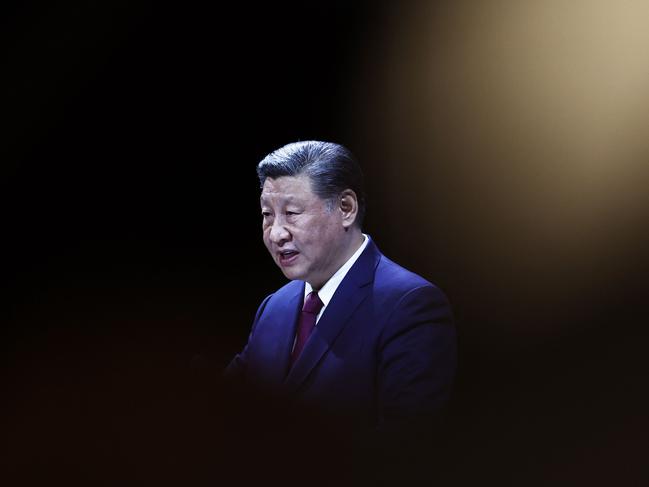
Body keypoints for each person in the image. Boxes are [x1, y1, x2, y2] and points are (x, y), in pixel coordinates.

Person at [224, 140, 456, 435]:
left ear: (346, 208)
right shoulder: (275, 307)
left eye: (292, 213)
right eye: (267, 215)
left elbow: (406, 447)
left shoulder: (412, 306)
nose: (277, 233)